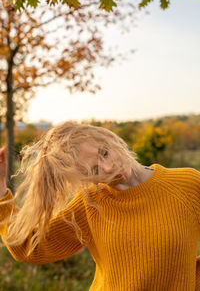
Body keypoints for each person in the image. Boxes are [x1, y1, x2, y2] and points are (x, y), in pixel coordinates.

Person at [0, 121, 200, 290]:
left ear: (110, 138)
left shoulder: (187, 184)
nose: (108, 168)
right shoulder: (91, 204)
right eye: (94, 170)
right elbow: (28, 248)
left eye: (104, 153)